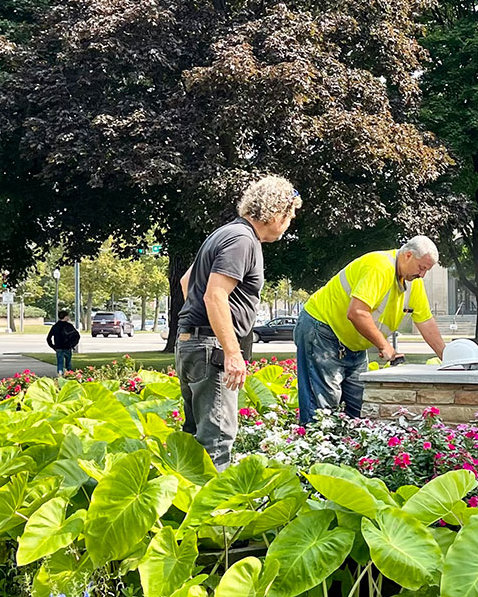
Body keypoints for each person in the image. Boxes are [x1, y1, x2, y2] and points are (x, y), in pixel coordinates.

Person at [176, 175, 300, 468]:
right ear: (275, 213)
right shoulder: (243, 241)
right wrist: (231, 352)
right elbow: (215, 296)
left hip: (192, 343)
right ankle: (214, 512)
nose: (289, 223)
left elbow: (186, 283)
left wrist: (196, 327)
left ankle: (188, 506)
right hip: (211, 349)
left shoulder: (224, 233)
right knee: (216, 441)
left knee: (195, 436)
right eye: (290, 216)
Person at [295, 236, 448, 424]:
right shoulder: (379, 266)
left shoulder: (414, 285)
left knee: (360, 408)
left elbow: (426, 323)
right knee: (322, 409)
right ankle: (316, 447)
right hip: (322, 331)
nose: (423, 275)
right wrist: (385, 347)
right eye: (421, 268)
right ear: (408, 255)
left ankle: (348, 449)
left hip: (354, 345)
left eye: (427, 270)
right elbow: (357, 312)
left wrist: (448, 358)